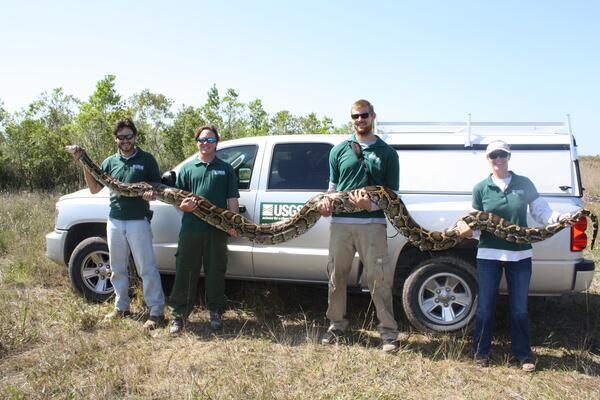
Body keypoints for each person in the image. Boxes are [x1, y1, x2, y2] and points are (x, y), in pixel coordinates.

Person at [455, 140, 573, 372]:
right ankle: (481, 352)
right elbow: (477, 223)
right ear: (488, 159)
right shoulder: (481, 188)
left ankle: (522, 354)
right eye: (494, 155)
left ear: (509, 157)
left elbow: (542, 212)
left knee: (519, 308)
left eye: (503, 155)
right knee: (485, 307)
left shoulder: (524, 183)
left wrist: (560, 218)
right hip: (488, 254)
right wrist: (469, 231)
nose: (498, 159)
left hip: (519, 256)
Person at [317, 99, 400, 353]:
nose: (359, 120)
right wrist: (325, 203)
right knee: (336, 276)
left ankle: (388, 334)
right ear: (351, 119)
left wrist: (371, 206)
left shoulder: (387, 153)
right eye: (355, 116)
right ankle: (336, 326)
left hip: (372, 224)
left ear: (373, 116)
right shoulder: (338, 150)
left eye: (364, 115)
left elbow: (393, 196)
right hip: (340, 224)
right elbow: (331, 190)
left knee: (378, 278)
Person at [76, 118, 166, 330]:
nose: (124, 140)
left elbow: (157, 190)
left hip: (138, 221)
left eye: (128, 136)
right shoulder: (109, 162)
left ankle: (156, 311)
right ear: (115, 139)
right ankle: (121, 307)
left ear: (135, 137)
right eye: (120, 137)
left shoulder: (147, 160)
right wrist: (85, 165)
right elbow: (94, 189)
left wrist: (150, 195)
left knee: (146, 268)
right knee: (116, 268)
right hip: (115, 220)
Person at [168, 125, 240, 334]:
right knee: (185, 271)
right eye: (201, 139)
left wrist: (233, 224)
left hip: (216, 231)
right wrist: (182, 206)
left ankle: (216, 311)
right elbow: (176, 198)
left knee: (216, 271)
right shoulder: (187, 169)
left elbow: (232, 199)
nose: (205, 143)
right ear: (196, 142)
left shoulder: (225, 169)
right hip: (191, 229)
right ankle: (179, 315)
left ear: (216, 143)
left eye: (209, 140)